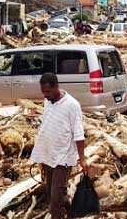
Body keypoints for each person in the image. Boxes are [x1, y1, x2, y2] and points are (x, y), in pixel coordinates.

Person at [29, 73, 88, 219]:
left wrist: (82, 159)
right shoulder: (48, 101)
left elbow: (79, 134)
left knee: (56, 199)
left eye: (48, 92)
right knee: (53, 194)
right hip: (48, 155)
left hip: (63, 157)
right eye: (43, 92)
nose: (45, 95)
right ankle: (71, 213)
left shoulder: (72, 105)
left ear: (56, 86)